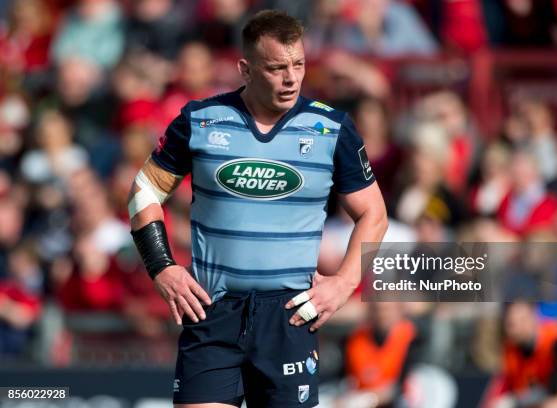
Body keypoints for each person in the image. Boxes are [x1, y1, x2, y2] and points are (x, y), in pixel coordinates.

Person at [127, 9, 388, 408]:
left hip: (289, 315)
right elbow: (145, 190)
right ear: (245, 69)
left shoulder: (331, 129)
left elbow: (374, 213)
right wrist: (162, 266)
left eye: (298, 64)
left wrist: (346, 281)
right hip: (211, 310)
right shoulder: (200, 120)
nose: (291, 79)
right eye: (276, 67)